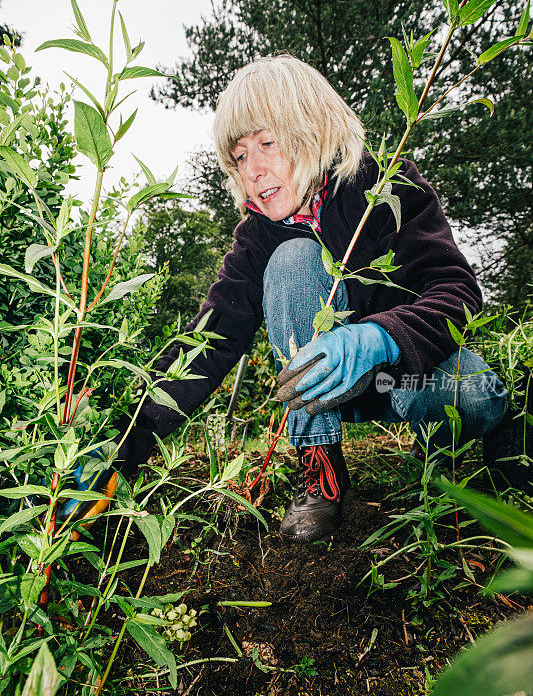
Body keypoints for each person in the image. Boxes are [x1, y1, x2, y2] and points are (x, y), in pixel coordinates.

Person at [87, 55, 509, 541]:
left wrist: (377, 338)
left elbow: (455, 288)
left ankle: (448, 441)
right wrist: (119, 443)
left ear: (313, 131)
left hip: (398, 377)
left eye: (267, 143)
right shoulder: (258, 237)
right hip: (327, 399)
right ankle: (320, 473)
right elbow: (209, 341)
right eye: (240, 156)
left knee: (477, 396)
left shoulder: (388, 187)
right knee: (290, 259)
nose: (254, 169)